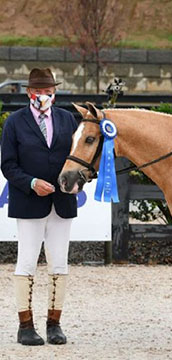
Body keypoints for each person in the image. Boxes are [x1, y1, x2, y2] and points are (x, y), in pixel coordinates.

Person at [1, 68, 78, 345]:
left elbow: (78, 158)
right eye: (39, 92)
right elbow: (8, 164)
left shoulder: (68, 119)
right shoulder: (15, 122)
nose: (44, 96)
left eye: (48, 92)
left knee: (59, 263)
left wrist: (78, 181)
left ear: (54, 92)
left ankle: (54, 323)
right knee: (27, 262)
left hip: (62, 201)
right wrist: (31, 182)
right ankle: (25, 325)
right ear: (29, 93)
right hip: (29, 201)